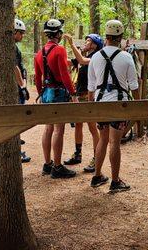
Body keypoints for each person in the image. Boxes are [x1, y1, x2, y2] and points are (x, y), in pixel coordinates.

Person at [87, 20, 140, 193]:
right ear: (120, 38)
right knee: (114, 142)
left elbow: (91, 87)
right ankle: (115, 181)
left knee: (103, 139)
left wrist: (91, 108)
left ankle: (97, 176)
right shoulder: (126, 57)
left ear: (106, 37)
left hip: (100, 104)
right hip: (119, 105)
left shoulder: (95, 57)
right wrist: (137, 107)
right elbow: (134, 85)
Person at [34, 19, 78, 179]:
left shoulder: (39, 53)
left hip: (46, 93)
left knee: (48, 128)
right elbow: (65, 74)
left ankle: (48, 164)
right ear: (58, 34)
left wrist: (41, 94)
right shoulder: (59, 50)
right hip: (59, 93)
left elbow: (37, 78)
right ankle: (58, 166)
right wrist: (73, 94)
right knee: (59, 129)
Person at [63, 33, 103, 173]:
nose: (85, 43)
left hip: (89, 95)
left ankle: (96, 157)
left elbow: (81, 60)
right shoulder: (85, 56)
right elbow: (69, 62)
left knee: (92, 127)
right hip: (79, 94)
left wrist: (72, 44)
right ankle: (78, 154)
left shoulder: (95, 57)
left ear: (94, 45)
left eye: (88, 41)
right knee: (78, 124)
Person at [14, 18, 31, 163]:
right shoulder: (12, 48)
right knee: (17, 120)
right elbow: (15, 68)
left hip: (18, 86)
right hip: (16, 88)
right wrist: (22, 86)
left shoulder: (14, 47)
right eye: (21, 33)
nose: (22, 36)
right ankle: (16, 152)